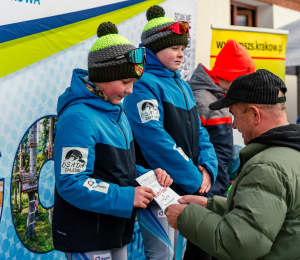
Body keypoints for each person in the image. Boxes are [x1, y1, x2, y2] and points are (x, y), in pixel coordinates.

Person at [52, 22, 173, 260]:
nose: (130, 91)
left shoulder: (116, 111)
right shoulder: (78, 118)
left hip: (115, 230)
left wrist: (150, 176)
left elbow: (118, 167)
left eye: (134, 83)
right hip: (87, 235)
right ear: (103, 76)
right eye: (125, 82)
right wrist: (128, 197)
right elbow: (71, 182)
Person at [165, 69, 300, 260]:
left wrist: (186, 218)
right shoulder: (292, 153)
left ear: (255, 114)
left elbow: (241, 243)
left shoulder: (266, 167)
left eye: (234, 115)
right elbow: (269, 214)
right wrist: (212, 206)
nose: (234, 126)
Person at [123, 5, 218, 260]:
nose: (181, 55)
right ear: (153, 49)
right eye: (174, 48)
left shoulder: (183, 86)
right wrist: (195, 179)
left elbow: (200, 131)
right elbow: (155, 140)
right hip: (161, 188)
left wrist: (208, 167)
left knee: (181, 253)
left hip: (188, 187)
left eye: (183, 49)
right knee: (163, 255)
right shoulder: (143, 84)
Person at [188, 39, 255, 198]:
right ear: (235, 76)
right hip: (205, 191)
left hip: (219, 186)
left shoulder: (221, 96)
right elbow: (191, 146)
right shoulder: (202, 99)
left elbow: (219, 147)